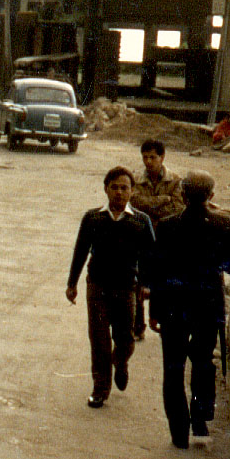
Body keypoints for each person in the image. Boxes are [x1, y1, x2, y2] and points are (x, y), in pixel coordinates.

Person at [149, 170, 230, 448]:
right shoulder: (225, 225)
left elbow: (157, 272)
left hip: (173, 307)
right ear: (211, 196)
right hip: (207, 306)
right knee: (202, 362)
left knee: (173, 369)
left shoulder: (165, 226)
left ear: (182, 194)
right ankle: (200, 418)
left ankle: (179, 433)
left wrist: (154, 311)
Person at [67, 167, 155, 408]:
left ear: (132, 191)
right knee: (99, 340)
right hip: (97, 286)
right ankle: (100, 388)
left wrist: (147, 285)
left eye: (124, 188)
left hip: (127, 287)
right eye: (114, 187)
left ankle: (121, 362)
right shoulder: (92, 218)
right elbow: (80, 251)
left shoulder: (141, 221)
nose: (118, 192)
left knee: (125, 340)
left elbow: (150, 257)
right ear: (105, 189)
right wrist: (72, 284)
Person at [129, 139, 185, 340]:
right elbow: (135, 205)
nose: (148, 161)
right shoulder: (135, 180)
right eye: (145, 157)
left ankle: (164, 322)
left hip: (166, 240)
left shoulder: (176, 181)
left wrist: (150, 209)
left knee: (163, 283)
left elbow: (178, 210)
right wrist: (162, 200)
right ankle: (138, 326)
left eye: (153, 157)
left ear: (162, 157)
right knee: (138, 280)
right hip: (141, 238)